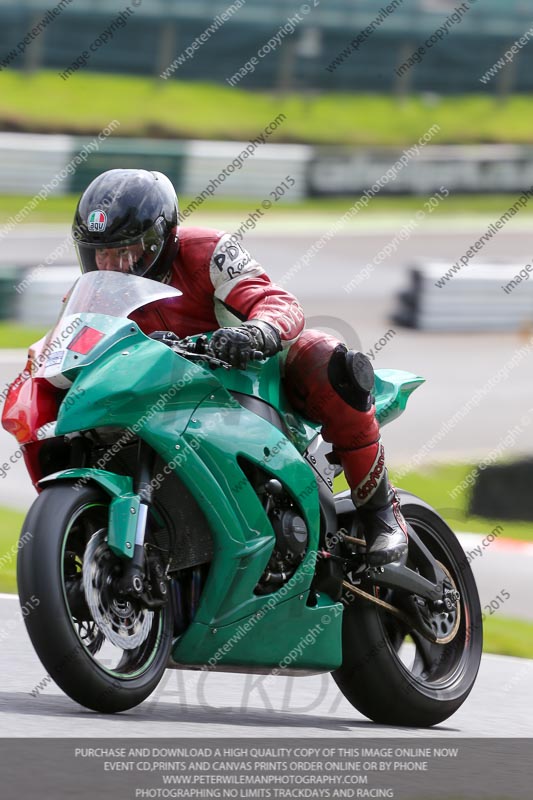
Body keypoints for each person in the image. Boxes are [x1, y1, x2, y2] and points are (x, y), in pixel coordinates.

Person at [72, 168, 408, 566]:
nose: (113, 266)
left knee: (327, 358)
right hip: (163, 396)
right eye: (101, 254)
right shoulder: (91, 296)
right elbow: (71, 352)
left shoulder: (208, 250)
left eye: (125, 252)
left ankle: (381, 516)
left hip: (247, 377)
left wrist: (256, 332)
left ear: (158, 242)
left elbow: (277, 301)